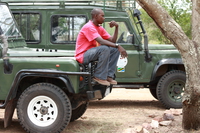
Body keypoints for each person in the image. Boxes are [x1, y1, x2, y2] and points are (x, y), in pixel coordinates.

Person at [75, 8, 128, 86]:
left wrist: (116, 27)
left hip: (92, 52)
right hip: (83, 55)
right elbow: (101, 41)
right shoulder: (89, 27)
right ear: (96, 16)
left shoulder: (99, 28)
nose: (104, 18)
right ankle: (99, 76)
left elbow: (112, 41)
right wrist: (118, 46)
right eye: (102, 16)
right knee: (104, 48)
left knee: (114, 50)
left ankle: (108, 76)